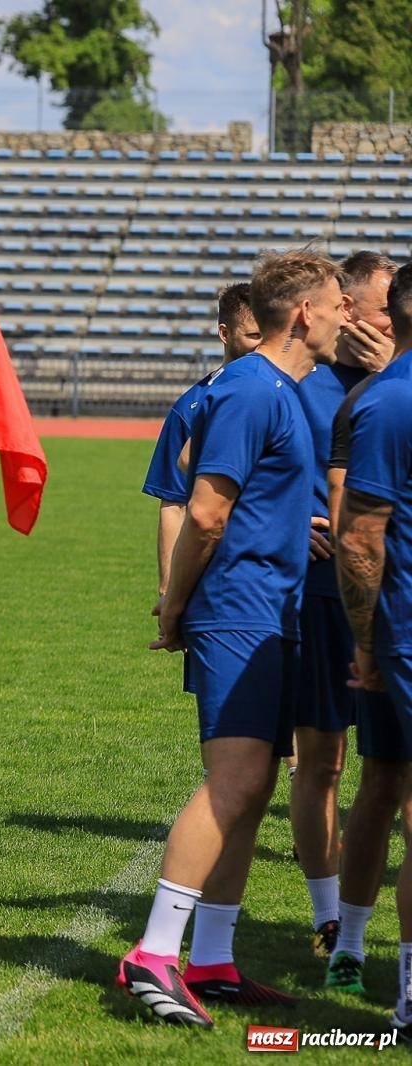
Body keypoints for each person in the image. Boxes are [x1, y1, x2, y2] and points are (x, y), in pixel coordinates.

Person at [120, 249, 344, 1028]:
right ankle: (152, 955)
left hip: (270, 608)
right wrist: (175, 605)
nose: (349, 316)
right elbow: (206, 510)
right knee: (236, 781)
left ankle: (211, 959)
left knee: (250, 794)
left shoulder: (274, 388)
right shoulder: (253, 387)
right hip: (240, 609)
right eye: (340, 303)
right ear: (305, 315)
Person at [290, 251, 401, 955]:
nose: (395, 324)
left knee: (388, 772)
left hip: (396, 604)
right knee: (324, 761)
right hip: (321, 597)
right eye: (384, 311)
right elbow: (230, 468)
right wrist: (285, 516)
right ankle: (327, 917)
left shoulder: (400, 386)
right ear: (350, 311)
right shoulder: (304, 382)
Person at [325, 260, 412, 997]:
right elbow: (358, 530)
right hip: (397, 629)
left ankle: (351, 947)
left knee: (385, 781)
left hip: (389, 630)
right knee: (390, 788)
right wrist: (364, 640)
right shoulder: (384, 401)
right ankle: (383, 970)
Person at [142, 283, 261, 600]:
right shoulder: (190, 408)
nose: (263, 346)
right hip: (210, 579)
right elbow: (173, 503)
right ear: (225, 334)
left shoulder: (289, 393)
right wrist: (168, 588)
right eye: (254, 336)